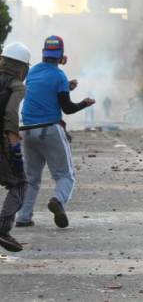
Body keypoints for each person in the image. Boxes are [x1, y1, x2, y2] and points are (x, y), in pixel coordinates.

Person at [16, 36, 95, 229]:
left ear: (43, 53)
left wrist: (66, 87)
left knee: (31, 178)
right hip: (49, 130)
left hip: (26, 131)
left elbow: (41, 92)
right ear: (62, 57)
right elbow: (67, 108)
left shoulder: (32, 72)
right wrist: (85, 103)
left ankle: (23, 218)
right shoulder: (58, 76)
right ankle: (57, 200)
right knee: (65, 175)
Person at [0, 43, 31, 252]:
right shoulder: (17, 85)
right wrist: (15, 149)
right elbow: (11, 115)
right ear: (22, 67)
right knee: (20, 184)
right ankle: (3, 229)